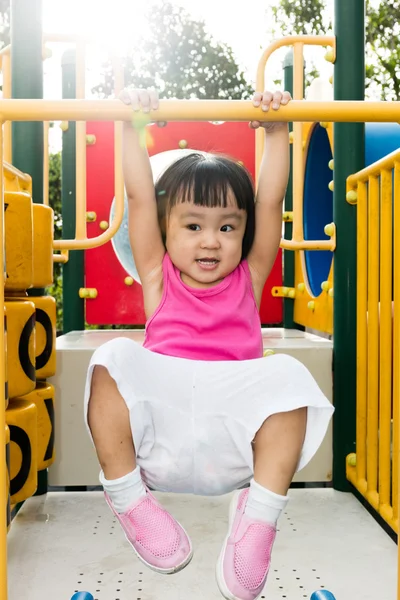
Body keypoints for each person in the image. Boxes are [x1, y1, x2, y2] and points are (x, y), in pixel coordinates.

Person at [84, 87, 334, 600]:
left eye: (227, 227)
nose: (210, 240)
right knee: (110, 359)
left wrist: (277, 130)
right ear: (165, 231)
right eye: (193, 226)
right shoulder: (158, 274)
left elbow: (270, 200)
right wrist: (130, 124)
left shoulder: (250, 274)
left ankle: (258, 518)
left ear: (243, 234)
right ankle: (130, 499)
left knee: (291, 378)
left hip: (231, 430)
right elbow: (136, 195)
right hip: (168, 424)